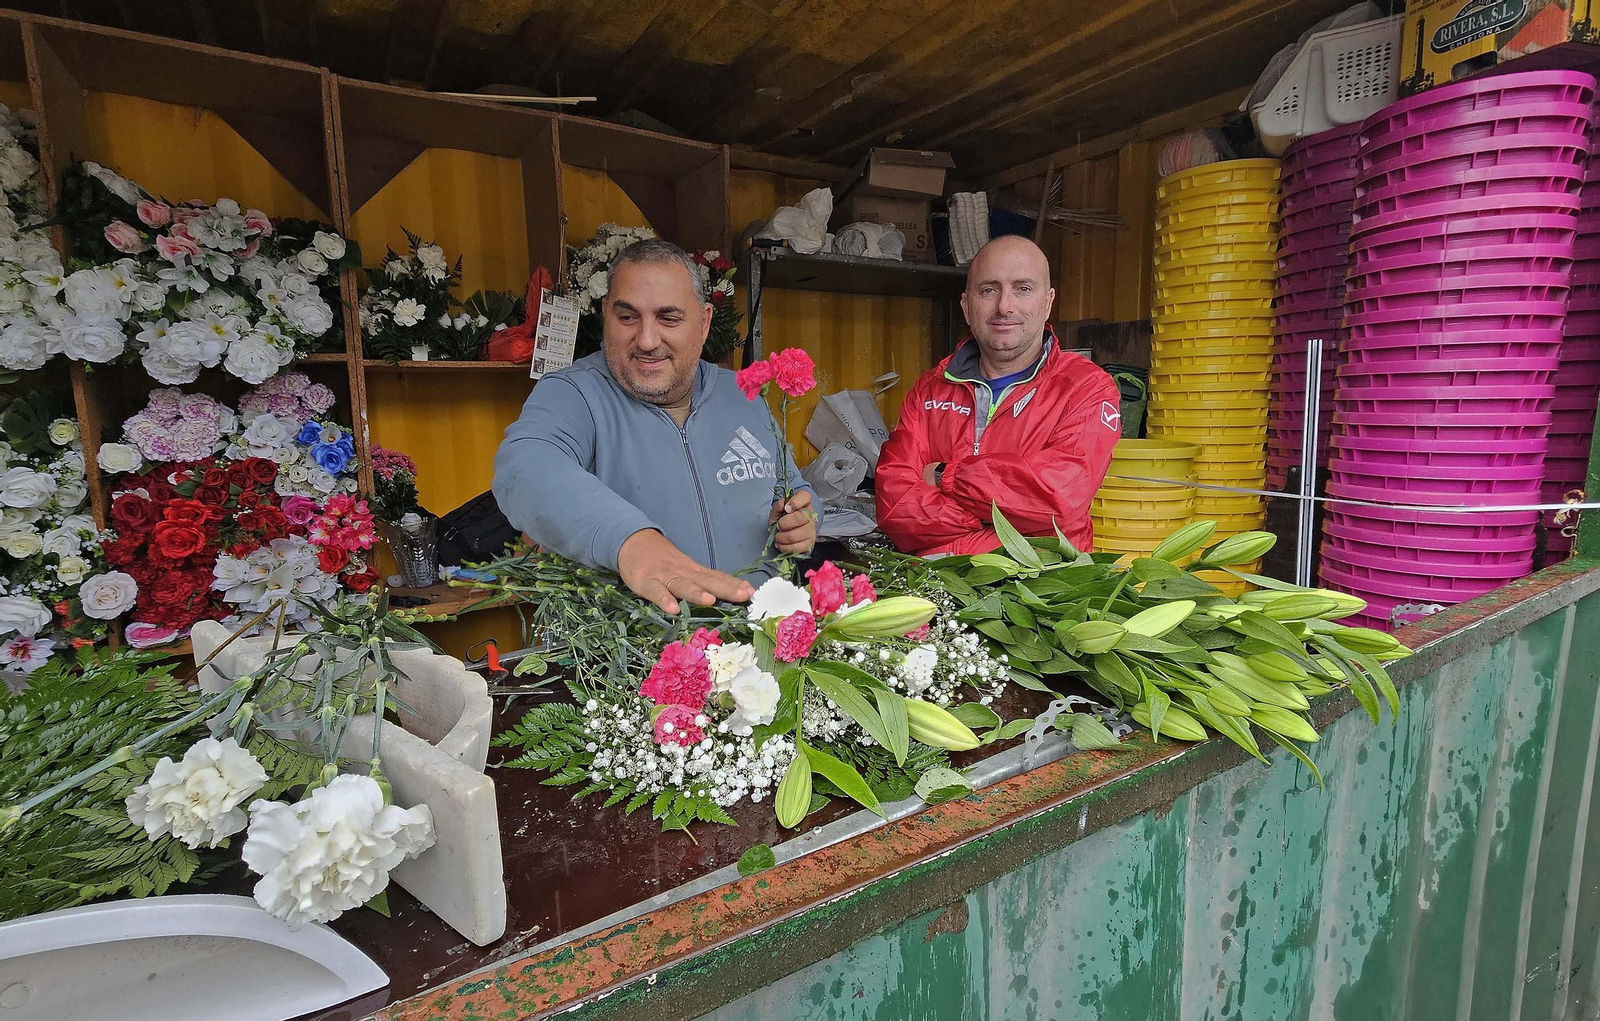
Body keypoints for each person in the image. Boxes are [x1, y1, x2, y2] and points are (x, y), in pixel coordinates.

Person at [493, 239, 816, 613]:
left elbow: (795, 487)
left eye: (668, 318)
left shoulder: (742, 394)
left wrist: (805, 520)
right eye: (627, 317)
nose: (647, 340)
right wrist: (630, 541)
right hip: (632, 659)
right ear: (606, 316)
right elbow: (523, 467)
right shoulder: (574, 394)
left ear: (704, 322)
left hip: (757, 646)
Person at [876, 235, 1120, 556]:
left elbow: (1058, 498)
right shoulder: (930, 388)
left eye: (1023, 288)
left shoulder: (1086, 387)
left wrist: (944, 477)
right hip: (938, 585)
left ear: (1047, 303)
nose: (1004, 306)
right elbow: (897, 507)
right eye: (989, 290)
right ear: (966, 306)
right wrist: (1000, 522)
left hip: (1044, 590)